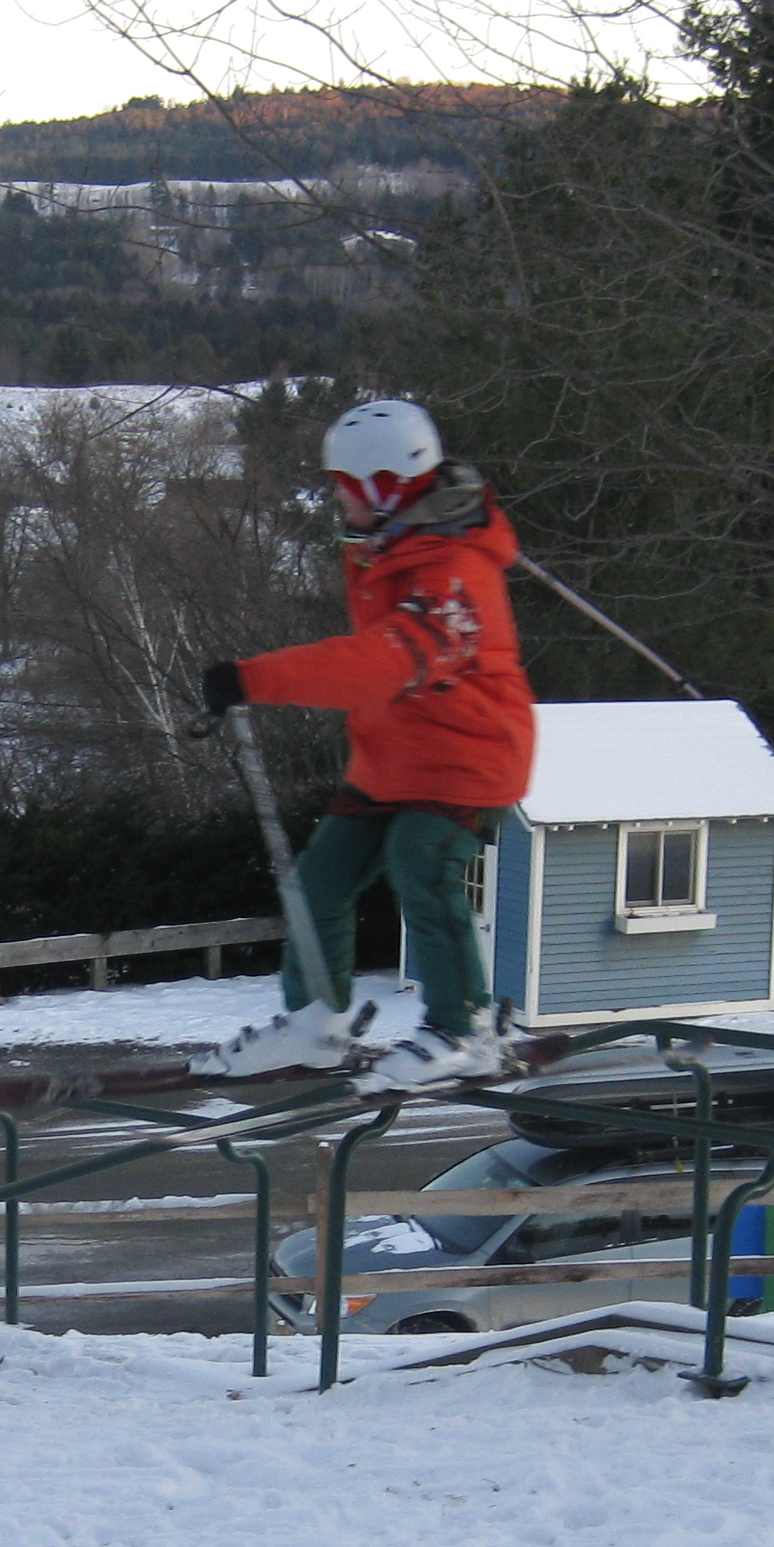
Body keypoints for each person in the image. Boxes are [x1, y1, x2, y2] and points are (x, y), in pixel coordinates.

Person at [194, 398, 538, 1091]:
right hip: (392, 758)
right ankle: (315, 1024)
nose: (337, 502)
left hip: (469, 757)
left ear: (384, 487)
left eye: (344, 488)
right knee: (317, 881)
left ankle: (463, 1029)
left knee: (422, 860)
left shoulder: (453, 576)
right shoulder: (389, 547)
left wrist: (254, 679)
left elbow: (380, 662)